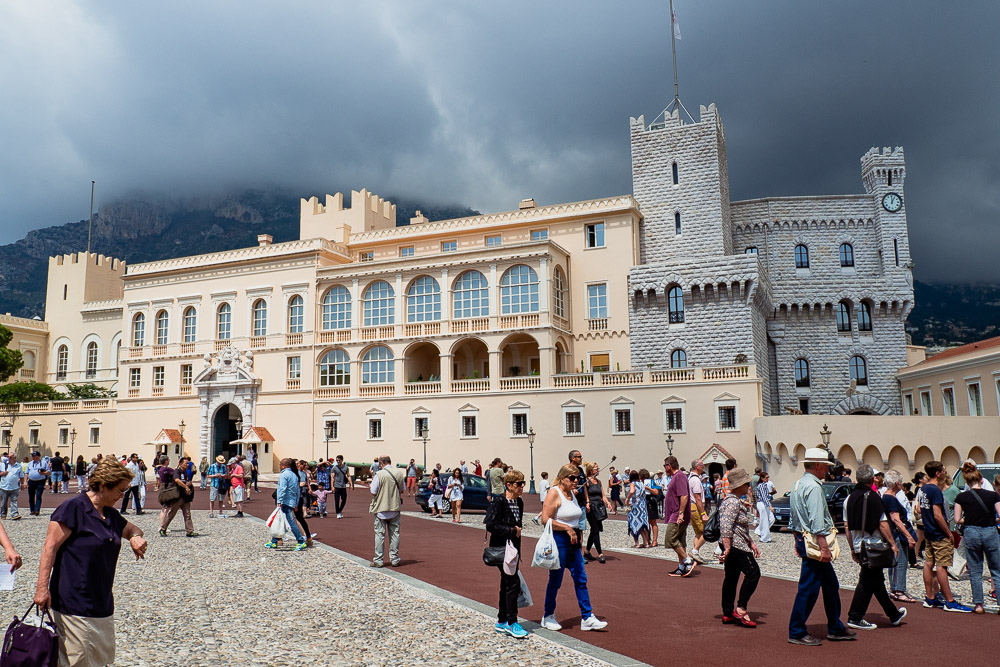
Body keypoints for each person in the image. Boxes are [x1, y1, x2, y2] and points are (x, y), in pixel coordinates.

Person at [34, 457, 144, 667]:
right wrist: (42, 589)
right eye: (119, 491)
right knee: (76, 661)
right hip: (74, 601)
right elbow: (50, 548)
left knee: (98, 660)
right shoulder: (73, 508)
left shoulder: (110, 514)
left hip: (101, 602)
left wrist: (136, 538)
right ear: (103, 486)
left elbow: (132, 529)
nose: (122, 496)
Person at [788, 446, 856, 646]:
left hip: (803, 537)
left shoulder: (797, 484)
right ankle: (797, 630)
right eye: (825, 466)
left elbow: (794, 517)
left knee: (828, 585)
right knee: (809, 588)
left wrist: (796, 539)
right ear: (818, 465)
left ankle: (834, 627)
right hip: (815, 540)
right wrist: (824, 547)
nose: (827, 470)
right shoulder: (815, 487)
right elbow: (817, 520)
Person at [539, 464, 608, 632]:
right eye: (572, 478)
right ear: (563, 478)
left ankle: (587, 617)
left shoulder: (571, 494)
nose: (576, 481)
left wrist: (575, 531)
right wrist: (567, 528)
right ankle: (548, 616)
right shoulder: (553, 493)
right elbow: (545, 519)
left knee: (581, 578)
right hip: (560, 540)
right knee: (556, 580)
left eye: (577, 478)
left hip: (574, 541)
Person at [844, 465, 906, 630]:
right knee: (866, 581)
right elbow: (883, 524)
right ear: (872, 479)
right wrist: (893, 544)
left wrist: (852, 547)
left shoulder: (848, 499)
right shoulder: (873, 497)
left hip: (859, 544)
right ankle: (855, 617)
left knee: (876, 581)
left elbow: (847, 526)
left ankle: (893, 614)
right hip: (873, 545)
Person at [919, 460, 971, 611]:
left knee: (928, 563)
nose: (945, 472)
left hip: (929, 532)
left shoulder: (923, 489)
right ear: (937, 473)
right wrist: (948, 533)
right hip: (938, 533)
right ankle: (950, 601)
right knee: (942, 566)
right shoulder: (935, 490)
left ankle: (930, 597)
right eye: (943, 470)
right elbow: (937, 515)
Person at [484, 468, 528, 638]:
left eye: (523, 483)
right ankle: (512, 622)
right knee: (512, 583)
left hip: (514, 549)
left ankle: (502, 620)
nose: (522, 486)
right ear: (509, 485)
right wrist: (511, 531)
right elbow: (490, 525)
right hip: (502, 549)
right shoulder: (499, 502)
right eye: (519, 484)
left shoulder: (519, 502)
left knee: (506, 583)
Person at [954, 460, 1000, 614]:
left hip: (972, 532)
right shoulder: (993, 495)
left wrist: (968, 519)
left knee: (975, 570)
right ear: (981, 480)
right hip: (990, 531)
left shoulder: (962, 498)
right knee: (996, 569)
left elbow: (957, 519)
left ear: (967, 481)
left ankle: (979, 604)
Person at [719, 467, 760, 628]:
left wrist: (751, 541)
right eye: (746, 483)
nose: (748, 486)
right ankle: (741, 608)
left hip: (739, 543)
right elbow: (726, 526)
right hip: (736, 546)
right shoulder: (732, 503)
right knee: (753, 573)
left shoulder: (733, 501)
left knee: (731, 577)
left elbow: (738, 527)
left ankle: (727, 612)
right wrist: (727, 547)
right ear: (739, 485)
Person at [880, 470, 918, 603]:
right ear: (896, 483)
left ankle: (895, 588)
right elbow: (896, 519)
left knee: (895, 563)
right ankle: (899, 590)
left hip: (893, 533)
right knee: (900, 563)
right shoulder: (890, 498)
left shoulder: (887, 496)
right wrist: (909, 536)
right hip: (897, 534)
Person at [369, 455, 405, 568]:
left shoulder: (379, 474)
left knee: (380, 534)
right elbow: (403, 489)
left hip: (381, 508)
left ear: (382, 463)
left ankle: (379, 559)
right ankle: (394, 558)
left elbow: (373, 491)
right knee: (395, 534)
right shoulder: (399, 473)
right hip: (395, 507)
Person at [662, 456, 694, 576]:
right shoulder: (676, 477)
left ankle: (687, 561)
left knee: (670, 538)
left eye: (665, 466)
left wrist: (680, 513)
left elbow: (684, 495)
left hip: (677, 513)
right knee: (680, 540)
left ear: (669, 466)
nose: (664, 468)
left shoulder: (679, 476)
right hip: (676, 513)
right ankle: (681, 567)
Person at [266, 458, 307, 551]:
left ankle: (300, 541)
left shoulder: (284, 475)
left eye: (280, 465)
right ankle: (274, 540)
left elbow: (282, 489)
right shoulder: (294, 475)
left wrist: (279, 501)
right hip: (291, 501)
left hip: (285, 501)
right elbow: (297, 490)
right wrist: (296, 503)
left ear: (283, 466)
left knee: (289, 522)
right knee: (281, 520)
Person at [156, 455, 196, 537]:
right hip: (178, 496)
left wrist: (189, 484)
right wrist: (186, 487)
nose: (187, 465)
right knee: (172, 514)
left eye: (188, 463)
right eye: (186, 463)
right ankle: (163, 529)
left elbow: (187, 481)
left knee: (187, 514)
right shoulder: (177, 471)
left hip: (185, 497)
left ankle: (190, 531)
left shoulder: (185, 472)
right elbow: (177, 480)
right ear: (181, 464)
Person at [583, 462, 609, 563]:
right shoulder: (586, 481)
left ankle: (587, 551)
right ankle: (600, 553)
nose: (598, 470)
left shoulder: (598, 481)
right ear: (590, 470)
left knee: (594, 531)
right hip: (591, 508)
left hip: (599, 507)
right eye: (596, 469)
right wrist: (588, 503)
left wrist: (608, 503)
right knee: (595, 529)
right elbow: (586, 495)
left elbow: (602, 495)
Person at [688, 460, 709, 561]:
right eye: (702, 465)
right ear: (697, 467)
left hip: (691, 507)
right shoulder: (695, 480)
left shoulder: (690, 478)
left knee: (698, 532)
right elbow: (698, 498)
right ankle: (695, 551)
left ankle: (695, 554)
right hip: (695, 507)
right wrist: (703, 513)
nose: (703, 467)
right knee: (706, 532)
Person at [626, 470, 651, 548]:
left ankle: (636, 542)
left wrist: (627, 498)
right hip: (643, 507)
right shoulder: (641, 484)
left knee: (634, 524)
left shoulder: (632, 484)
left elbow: (632, 491)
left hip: (635, 507)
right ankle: (646, 542)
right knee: (643, 524)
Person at [0, 451, 24, 520]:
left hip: (14, 487)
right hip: (4, 486)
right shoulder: (3, 464)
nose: (8, 458)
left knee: (14, 501)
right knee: (3, 502)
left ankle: (14, 514)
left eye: (10, 457)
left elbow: (21, 476)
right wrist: (2, 474)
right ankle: (3, 515)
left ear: (14, 458)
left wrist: (22, 484)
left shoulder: (18, 466)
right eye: (8, 457)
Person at [26, 451, 50, 515]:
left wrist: (43, 473)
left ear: (38, 456)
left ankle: (37, 510)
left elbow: (49, 472)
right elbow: (26, 472)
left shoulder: (44, 463)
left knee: (38, 495)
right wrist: (26, 482)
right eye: (32, 456)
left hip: (40, 481)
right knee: (31, 496)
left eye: (34, 456)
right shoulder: (30, 463)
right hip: (31, 481)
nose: (33, 457)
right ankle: (32, 510)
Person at [754, 471, 775, 543]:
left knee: (771, 519)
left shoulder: (764, 485)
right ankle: (764, 537)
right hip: (761, 503)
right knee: (765, 520)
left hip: (764, 503)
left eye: (768, 477)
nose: (768, 479)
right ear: (762, 478)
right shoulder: (761, 485)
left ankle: (760, 531)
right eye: (766, 477)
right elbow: (763, 497)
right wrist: (770, 506)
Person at [332, 454, 352, 519]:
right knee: (337, 500)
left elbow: (348, 476)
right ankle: (338, 513)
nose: (337, 461)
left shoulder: (346, 468)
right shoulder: (334, 468)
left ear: (342, 460)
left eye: (339, 460)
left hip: (343, 486)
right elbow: (332, 477)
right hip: (337, 486)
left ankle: (340, 510)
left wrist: (351, 484)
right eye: (336, 460)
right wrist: (332, 486)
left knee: (344, 499)